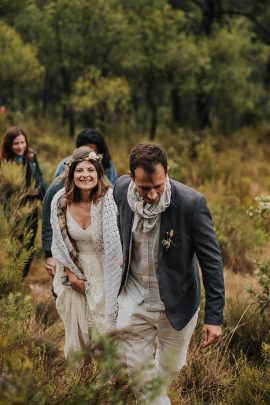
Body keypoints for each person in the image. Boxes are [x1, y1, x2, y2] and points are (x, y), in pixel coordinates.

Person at [113, 144, 225, 404]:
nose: (152, 195)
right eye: (144, 188)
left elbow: (212, 262)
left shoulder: (191, 203)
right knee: (140, 375)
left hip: (178, 303)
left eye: (158, 186)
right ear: (131, 177)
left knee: (170, 369)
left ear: (168, 172)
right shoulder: (119, 190)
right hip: (134, 298)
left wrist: (214, 317)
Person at [50, 148, 122, 359]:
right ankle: (80, 382)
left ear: (98, 173)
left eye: (90, 170)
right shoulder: (60, 202)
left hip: (103, 270)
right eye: (79, 170)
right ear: (71, 174)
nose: (85, 175)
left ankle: (106, 381)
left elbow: (116, 243)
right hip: (74, 269)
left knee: (102, 330)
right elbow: (59, 244)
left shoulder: (108, 200)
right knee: (78, 332)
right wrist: (71, 275)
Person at [0, 126, 47, 277]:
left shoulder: (31, 157)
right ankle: (9, 280)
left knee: (28, 245)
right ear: (9, 145)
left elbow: (39, 180)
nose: (20, 147)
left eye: (22, 142)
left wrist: (46, 200)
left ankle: (22, 279)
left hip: (31, 209)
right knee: (12, 246)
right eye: (16, 144)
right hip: (11, 212)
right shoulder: (4, 163)